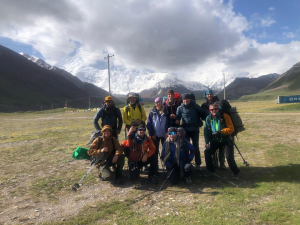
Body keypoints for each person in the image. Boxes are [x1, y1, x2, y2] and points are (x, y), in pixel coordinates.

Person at [204, 103, 240, 180]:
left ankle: (235, 172)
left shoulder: (224, 116)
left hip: (226, 139)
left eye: (215, 109)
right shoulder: (208, 118)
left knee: (229, 157)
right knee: (207, 152)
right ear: (209, 110)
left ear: (218, 109)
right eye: (212, 109)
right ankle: (211, 171)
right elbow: (206, 131)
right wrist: (207, 142)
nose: (214, 111)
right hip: (215, 140)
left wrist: (220, 132)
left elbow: (231, 129)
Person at [175, 93, 209, 171]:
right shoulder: (180, 108)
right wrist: (177, 120)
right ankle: (186, 163)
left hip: (195, 130)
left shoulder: (195, 106)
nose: (185, 100)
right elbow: (178, 117)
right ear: (182, 100)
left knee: (195, 147)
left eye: (187, 99)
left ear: (190, 99)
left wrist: (213, 114)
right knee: (185, 147)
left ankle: (198, 164)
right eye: (184, 99)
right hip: (185, 131)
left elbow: (203, 112)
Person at [201, 89, 225, 169]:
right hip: (210, 126)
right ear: (206, 95)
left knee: (221, 147)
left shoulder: (217, 102)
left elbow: (220, 110)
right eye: (208, 94)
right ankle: (215, 163)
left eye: (211, 94)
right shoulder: (204, 105)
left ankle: (222, 163)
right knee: (212, 146)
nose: (209, 95)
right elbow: (202, 114)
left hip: (218, 124)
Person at [147, 97, 169, 175]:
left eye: (159, 102)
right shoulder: (152, 112)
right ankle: (155, 168)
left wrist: (167, 132)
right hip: (155, 136)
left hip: (164, 135)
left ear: (161, 103)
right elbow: (149, 124)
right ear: (155, 103)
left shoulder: (166, 111)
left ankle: (167, 167)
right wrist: (152, 134)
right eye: (156, 102)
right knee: (155, 152)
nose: (158, 104)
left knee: (166, 151)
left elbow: (168, 123)